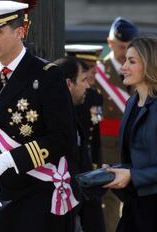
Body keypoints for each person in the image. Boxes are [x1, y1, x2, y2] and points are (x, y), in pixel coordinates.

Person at [0, 1, 80, 231]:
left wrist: (8, 160)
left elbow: (61, 138)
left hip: (36, 196)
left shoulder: (47, 76)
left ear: (20, 31)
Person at [103, 36, 157, 232]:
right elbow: (137, 158)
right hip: (135, 207)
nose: (123, 66)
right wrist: (113, 172)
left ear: (151, 66)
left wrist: (132, 175)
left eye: (131, 61)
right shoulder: (131, 103)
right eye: (125, 60)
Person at [94, 17, 138, 232]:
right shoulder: (98, 73)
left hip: (136, 145)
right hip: (109, 147)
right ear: (109, 43)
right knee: (110, 202)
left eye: (129, 47)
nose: (125, 52)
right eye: (121, 47)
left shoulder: (140, 71)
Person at [64, 45, 107, 232]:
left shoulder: (94, 96)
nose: (92, 72)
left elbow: (95, 131)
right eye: (87, 67)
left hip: (85, 164)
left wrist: (96, 162)